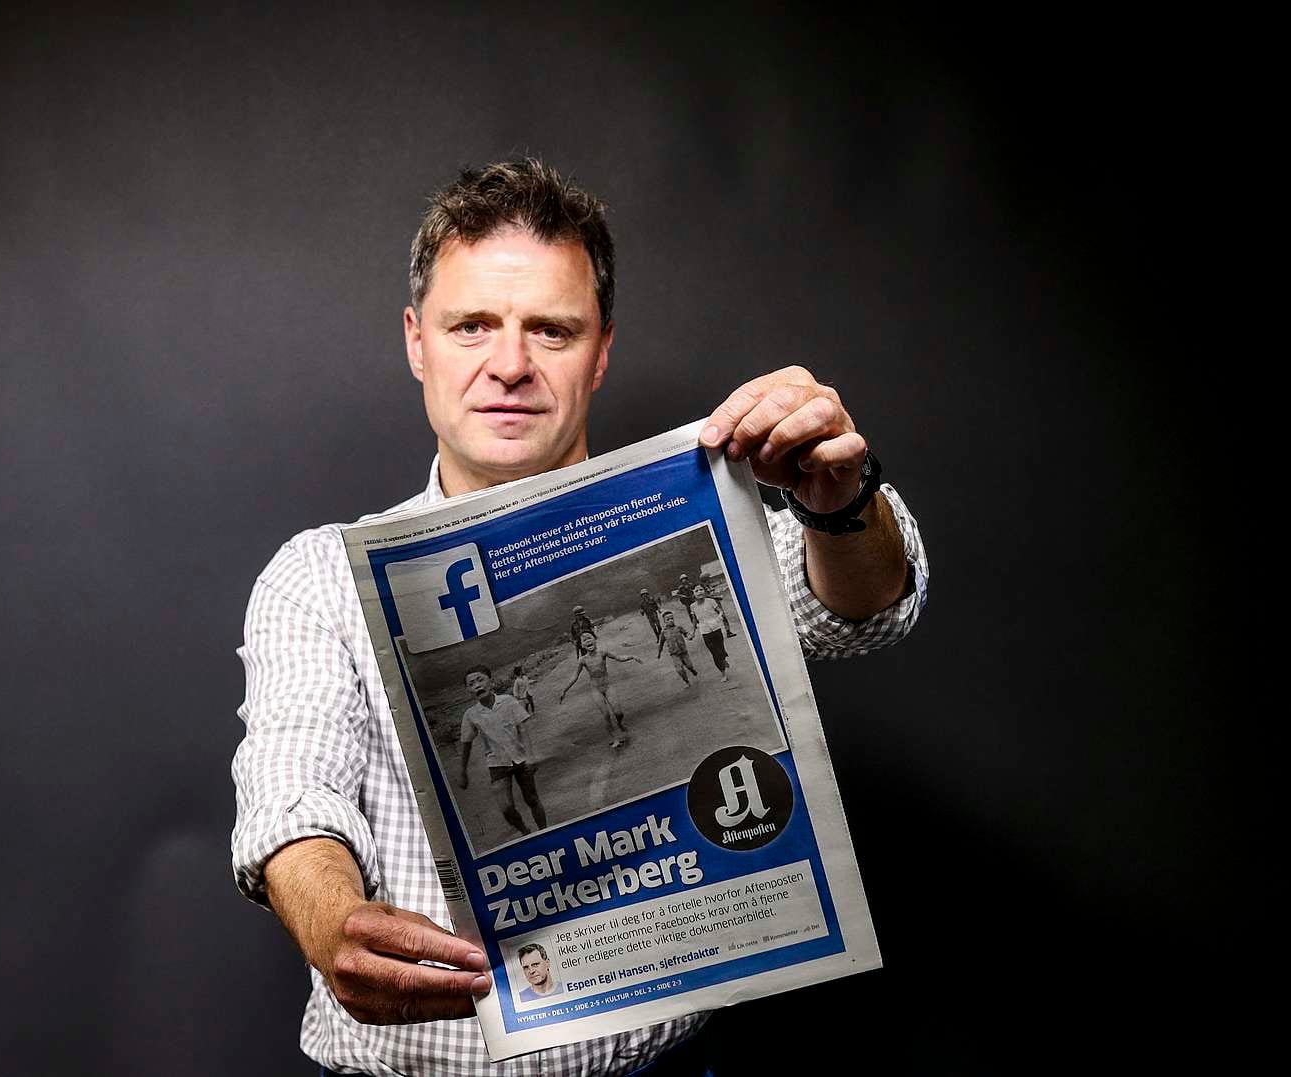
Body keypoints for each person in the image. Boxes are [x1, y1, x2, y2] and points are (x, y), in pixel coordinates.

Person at [231, 157, 930, 1076]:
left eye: (551, 330)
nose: (509, 364)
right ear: (417, 342)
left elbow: (862, 610)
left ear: (601, 351)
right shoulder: (317, 574)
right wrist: (331, 918)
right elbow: (293, 787)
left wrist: (840, 499)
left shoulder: (698, 518)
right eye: (471, 324)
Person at [454, 665, 546, 836]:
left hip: (520, 758)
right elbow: (466, 743)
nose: (477, 685)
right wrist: (462, 771)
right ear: (468, 690)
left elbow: (523, 729)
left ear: (491, 681)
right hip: (497, 764)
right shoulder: (471, 715)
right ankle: (525, 832)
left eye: (480, 680)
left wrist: (531, 756)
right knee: (506, 808)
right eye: (471, 684)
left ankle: (545, 831)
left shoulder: (508, 701)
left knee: (532, 799)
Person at [559, 631, 641, 749]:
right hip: (595, 689)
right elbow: (575, 676)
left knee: (618, 713)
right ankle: (615, 738)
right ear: (582, 645)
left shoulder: (602, 653)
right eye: (584, 640)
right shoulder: (583, 660)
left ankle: (619, 723)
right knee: (606, 715)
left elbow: (618, 657)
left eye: (589, 638)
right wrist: (564, 690)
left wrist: (631, 656)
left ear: (595, 640)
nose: (587, 640)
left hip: (608, 686)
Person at [693, 592, 732, 681]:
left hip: (716, 629)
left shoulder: (711, 601)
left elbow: (720, 611)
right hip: (705, 631)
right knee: (714, 653)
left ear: (704, 591)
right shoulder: (692, 606)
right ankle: (723, 674)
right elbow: (694, 620)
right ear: (694, 593)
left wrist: (719, 618)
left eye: (701, 589)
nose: (699, 592)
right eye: (697, 590)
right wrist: (693, 632)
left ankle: (723, 658)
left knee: (721, 650)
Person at [656, 609, 701, 686]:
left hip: (683, 651)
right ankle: (686, 681)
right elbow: (661, 643)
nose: (670, 620)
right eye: (668, 619)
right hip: (674, 654)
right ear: (664, 621)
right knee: (679, 670)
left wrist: (689, 636)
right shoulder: (664, 632)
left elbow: (686, 634)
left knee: (689, 665)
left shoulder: (679, 628)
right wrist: (659, 653)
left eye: (672, 618)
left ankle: (692, 669)